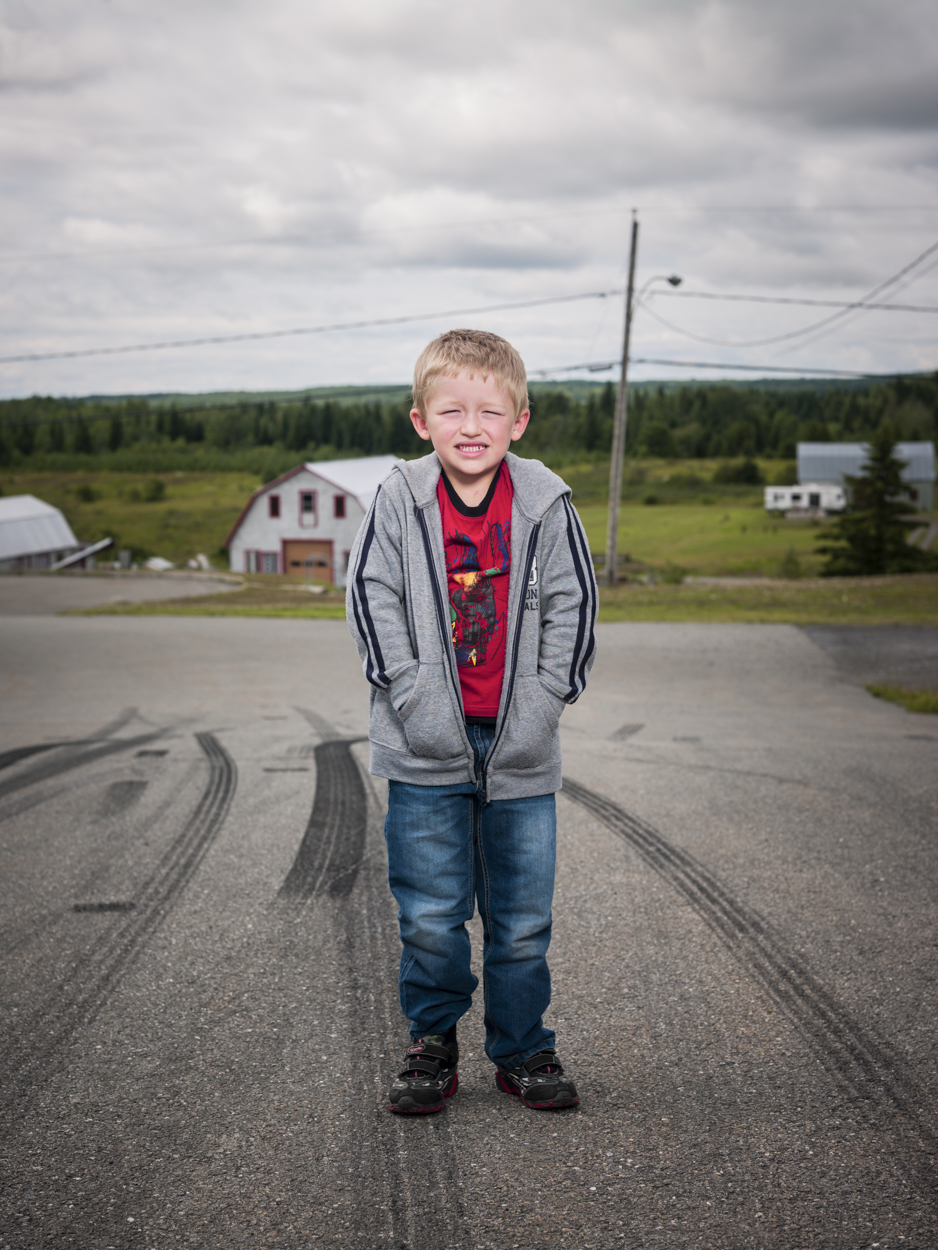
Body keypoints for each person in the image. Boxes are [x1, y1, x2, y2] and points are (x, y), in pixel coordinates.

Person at [346, 328, 597, 1113]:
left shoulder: (546, 502)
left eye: (491, 411)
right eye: (451, 409)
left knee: (521, 920)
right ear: (420, 420)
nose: (471, 426)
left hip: (518, 748)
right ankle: (432, 1041)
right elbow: (371, 598)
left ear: (520, 419)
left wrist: (542, 705)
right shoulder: (398, 498)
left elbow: (572, 606)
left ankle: (523, 1048)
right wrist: (415, 700)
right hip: (424, 750)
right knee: (429, 915)